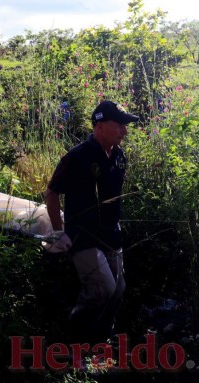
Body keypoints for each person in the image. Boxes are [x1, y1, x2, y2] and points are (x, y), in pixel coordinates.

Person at [44, 100, 139, 344]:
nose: (124, 131)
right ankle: (75, 337)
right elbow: (52, 192)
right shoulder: (77, 157)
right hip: (83, 235)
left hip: (111, 233)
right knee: (102, 289)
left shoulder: (119, 157)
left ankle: (100, 341)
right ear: (99, 125)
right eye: (119, 125)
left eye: (125, 126)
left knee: (118, 291)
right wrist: (58, 232)